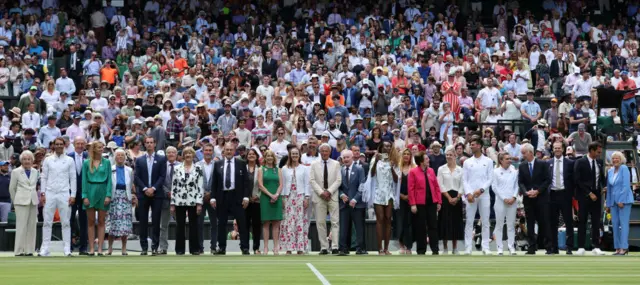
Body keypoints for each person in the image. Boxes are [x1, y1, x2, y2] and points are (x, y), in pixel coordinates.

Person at [210, 142, 251, 255]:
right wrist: (213, 197)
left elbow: (246, 183)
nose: (229, 152)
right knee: (221, 224)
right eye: (227, 150)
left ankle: (245, 247)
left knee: (242, 223)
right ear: (224, 151)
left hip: (237, 197)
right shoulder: (218, 164)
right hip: (222, 197)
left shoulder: (241, 163)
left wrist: (246, 197)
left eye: (231, 150)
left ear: (234, 151)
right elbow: (214, 182)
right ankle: (222, 248)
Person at [39, 137, 76, 257]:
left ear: (64, 145)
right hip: (50, 193)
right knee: (47, 222)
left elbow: (73, 178)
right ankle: (45, 248)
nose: (59, 146)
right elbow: (43, 177)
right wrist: (43, 193)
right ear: (53, 146)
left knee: (66, 222)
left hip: (64, 193)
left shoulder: (70, 160)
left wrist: (73, 194)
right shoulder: (48, 160)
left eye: (61, 144)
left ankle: (67, 248)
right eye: (57, 144)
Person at [134, 137, 167, 255]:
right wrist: (145, 189)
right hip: (143, 194)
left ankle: (154, 246)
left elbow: (162, 177)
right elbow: (136, 177)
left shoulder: (162, 159)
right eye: (147, 143)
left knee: (156, 221)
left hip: (156, 194)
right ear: (144, 144)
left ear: (155, 144)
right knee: (142, 221)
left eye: (151, 142)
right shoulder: (139, 160)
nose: (149, 144)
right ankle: (143, 247)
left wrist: (153, 188)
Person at [365, 141, 398, 255]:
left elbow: (396, 179)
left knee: (388, 219)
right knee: (380, 219)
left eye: (389, 146)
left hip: (389, 193)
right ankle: (379, 248)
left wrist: (392, 167)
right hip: (378, 192)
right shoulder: (375, 160)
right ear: (381, 148)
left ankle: (386, 248)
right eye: (385, 146)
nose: (387, 148)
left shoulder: (393, 161)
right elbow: (372, 174)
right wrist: (376, 161)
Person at [518, 143, 551, 255]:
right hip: (528, 199)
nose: (522, 155)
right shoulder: (522, 166)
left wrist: (537, 191)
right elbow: (520, 182)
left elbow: (547, 180)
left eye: (524, 153)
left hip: (541, 198)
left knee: (544, 222)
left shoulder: (542, 164)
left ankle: (548, 247)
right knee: (530, 223)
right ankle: (531, 247)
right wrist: (526, 193)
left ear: (530, 152)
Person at [309, 143, 342, 255]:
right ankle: (324, 247)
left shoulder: (336, 164)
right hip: (319, 197)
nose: (324, 153)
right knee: (320, 222)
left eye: (326, 151)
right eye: (322, 151)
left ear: (330, 152)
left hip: (332, 196)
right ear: (319, 152)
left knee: (335, 222)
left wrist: (329, 192)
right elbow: (312, 180)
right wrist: (322, 192)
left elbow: (338, 180)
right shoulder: (314, 164)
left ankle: (335, 247)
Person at [462, 137, 493, 255]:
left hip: (484, 195)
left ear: (479, 146)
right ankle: (468, 247)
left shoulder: (489, 161)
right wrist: (469, 193)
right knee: (469, 221)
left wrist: (481, 190)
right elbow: (465, 180)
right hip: (470, 196)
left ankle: (486, 247)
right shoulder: (467, 162)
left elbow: (490, 178)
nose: (471, 146)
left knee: (485, 221)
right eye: (470, 144)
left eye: (473, 144)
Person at [171, 147, 204, 255]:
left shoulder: (198, 168)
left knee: (193, 225)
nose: (188, 155)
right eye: (186, 153)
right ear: (183, 155)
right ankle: (180, 249)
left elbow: (200, 186)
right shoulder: (177, 168)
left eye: (190, 153)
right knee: (180, 225)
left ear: (193, 155)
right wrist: (172, 203)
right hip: (179, 200)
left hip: (193, 200)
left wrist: (199, 203)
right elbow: (174, 186)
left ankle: (194, 249)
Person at [574, 142, 605, 255]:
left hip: (597, 196)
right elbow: (577, 180)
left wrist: (604, 187)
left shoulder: (599, 162)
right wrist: (589, 193)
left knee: (596, 221)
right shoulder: (580, 162)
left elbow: (601, 177)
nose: (599, 154)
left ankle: (596, 246)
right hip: (584, 196)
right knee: (582, 221)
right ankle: (581, 246)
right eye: (598, 152)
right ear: (591, 150)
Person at [81, 141, 113, 256]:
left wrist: (108, 195)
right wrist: (84, 196)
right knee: (90, 222)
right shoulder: (86, 163)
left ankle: (100, 247)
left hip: (103, 191)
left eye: (102, 147)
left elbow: (109, 179)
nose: (101, 149)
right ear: (94, 149)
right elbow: (84, 180)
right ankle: (91, 248)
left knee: (101, 221)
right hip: (90, 191)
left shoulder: (107, 162)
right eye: (99, 147)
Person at [408, 151, 442, 255]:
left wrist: (438, 201)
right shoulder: (413, 172)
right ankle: (421, 250)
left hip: (432, 203)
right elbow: (411, 189)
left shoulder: (431, 171)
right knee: (420, 227)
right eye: (426, 158)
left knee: (433, 226)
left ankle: (435, 249)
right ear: (421, 161)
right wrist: (413, 204)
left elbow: (436, 187)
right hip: (419, 203)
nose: (428, 160)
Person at [280, 147, 311, 255]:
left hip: (300, 196)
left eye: (296, 154)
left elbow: (307, 184)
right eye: (292, 154)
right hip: (288, 197)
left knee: (300, 221)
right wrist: (283, 198)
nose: (294, 156)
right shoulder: (284, 168)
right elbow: (282, 184)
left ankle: (300, 248)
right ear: (290, 155)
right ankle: (289, 248)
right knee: (288, 222)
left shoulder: (304, 168)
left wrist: (307, 197)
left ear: (299, 155)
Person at [8, 150, 39, 256]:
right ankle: (19, 250)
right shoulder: (15, 172)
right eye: (25, 159)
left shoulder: (35, 171)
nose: (27, 161)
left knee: (32, 226)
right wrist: (16, 201)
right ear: (21, 160)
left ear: (32, 160)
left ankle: (29, 250)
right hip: (20, 202)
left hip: (33, 201)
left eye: (29, 159)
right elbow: (12, 188)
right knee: (21, 226)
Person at [547, 142, 575, 255]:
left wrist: (571, 193)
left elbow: (573, 179)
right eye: (555, 148)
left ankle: (569, 247)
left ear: (563, 149)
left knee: (568, 221)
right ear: (553, 149)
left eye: (559, 148)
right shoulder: (548, 163)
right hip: (552, 194)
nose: (557, 149)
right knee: (552, 222)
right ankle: (554, 247)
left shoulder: (570, 163)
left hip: (565, 194)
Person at [338, 149, 367, 255]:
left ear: (352, 158)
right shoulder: (340, 170)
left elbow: (362, 184)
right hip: (344, 204)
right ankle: (343, 248)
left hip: (358, 204)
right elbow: (337, 185)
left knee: (359, 227)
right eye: (344, 158)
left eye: (347, 157)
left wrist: (355, 199)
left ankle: (361, 248)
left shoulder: (359, 169)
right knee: (344, 227)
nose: (345, 159)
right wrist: (341, 195)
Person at [106, 149, 135, 256]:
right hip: (114, 197)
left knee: (125, 224)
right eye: (118, 155)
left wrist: (131, 196)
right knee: (112, 223)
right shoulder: (110, 169)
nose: (120, 157)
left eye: (122, 155)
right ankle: (110, 248)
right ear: (115, 157)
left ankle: (124, 248)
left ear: (125, 157)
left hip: (125, 197)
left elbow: (130, 184)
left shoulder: (129, 170)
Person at [437, 145, 464, 255]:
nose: (448, 156)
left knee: (455, 222)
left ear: (455, 156)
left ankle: (455, 247)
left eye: (451, 155)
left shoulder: (460, 170)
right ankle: (444, 248)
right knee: (444, 222)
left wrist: (457, 197)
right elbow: (440, 185)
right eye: (447, 155)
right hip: (445, 198)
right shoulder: (441, 169)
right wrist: (448, 198)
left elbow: (462, 185)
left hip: (457, 198)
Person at [606, 151, 634, 255]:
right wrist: (608, 203)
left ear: (621, 159)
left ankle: (624, 247)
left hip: (624, 201)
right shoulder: (610, 171)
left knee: (623, 224)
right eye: (613, 158)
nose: (615, 160)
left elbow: (626, 186)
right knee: (615, 224)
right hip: (613, 202)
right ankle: (617, 248)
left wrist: (621, 200)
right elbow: (609, 188)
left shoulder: (624, 168)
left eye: (617, 158)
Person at [491, 152, 519, 255]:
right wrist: (504, 198)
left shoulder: (514, 171)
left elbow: (517, 186)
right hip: (500, 202)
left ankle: (511, 247)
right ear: (501, 160)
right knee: (499, 225)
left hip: (512, 201)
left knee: (511, 225)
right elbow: (494, 187)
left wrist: (514, 197)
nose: (509, 160)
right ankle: (499, 248)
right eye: (507, 158)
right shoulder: (496, 172)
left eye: (510, 158)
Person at [258, 150, 283, 255]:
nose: (269, 158)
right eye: (267, 156)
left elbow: (281, 184)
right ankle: (266, 247)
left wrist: (276, 195)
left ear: (274, 158)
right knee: (266, 223)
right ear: (265, 158)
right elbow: (260, 185)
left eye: (271, 156)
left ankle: (276, 247)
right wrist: (270, 195)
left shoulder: (278, 170)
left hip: (277, 198)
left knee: (276, 223)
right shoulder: (261, 169)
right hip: (265, 198)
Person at [196, 143, 218, 254]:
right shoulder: (197, 165)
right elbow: (195, 183)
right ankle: (200, 248)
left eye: (210, 150)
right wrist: (204, 194)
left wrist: (211, 194)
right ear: (202, 152)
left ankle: (213, 247)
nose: (208, 152)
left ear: (213, 152)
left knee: (214, 223)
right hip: (200, 198)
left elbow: (218, 183)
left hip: (213, 198)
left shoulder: (217, 165)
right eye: (206, 150)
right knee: (199, 224)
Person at [68, 137, 88, 255]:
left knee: (84, 221)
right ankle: (68, 246)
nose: (80, 145)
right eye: (78, 143)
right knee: (69, 220)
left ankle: (83, 247)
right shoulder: (68, 157)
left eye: (82, 143)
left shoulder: (88, 157)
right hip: (71, 194)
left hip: (85, 194)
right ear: (74, 144)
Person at [159, 146, 179, 255]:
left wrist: (175, 193)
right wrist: (167, 192)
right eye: (169, 152)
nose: (171, 154)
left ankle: (180, 248)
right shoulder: (162, 166)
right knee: (163, 225)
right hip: (165, 199)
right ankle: (163, 247)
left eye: (173, 152)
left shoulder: (181, 166)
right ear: (166, 154)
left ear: (176, 154)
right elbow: (160, 181)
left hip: (179, 200)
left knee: (180, 225)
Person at [397, 148, 416, 254]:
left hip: (410, 199)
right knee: (400, 222)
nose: (406, 155)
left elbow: (416, 185)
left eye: (408, 154)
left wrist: (409, 196)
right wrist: (400, 195)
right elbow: (393, 184)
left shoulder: (414, 168)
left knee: (409, 222)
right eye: (404, 154)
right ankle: (401, 245)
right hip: (399, 199)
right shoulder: (397, 168)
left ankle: (409, 246)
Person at [245, 149, 262, 254]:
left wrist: (257, 196)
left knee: (256, 226)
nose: (251, 156)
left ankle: (256, 247)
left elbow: (262, 185)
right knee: (245, 225)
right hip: (245, 202)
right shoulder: (242, 168)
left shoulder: (260, 169)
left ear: (256, 156)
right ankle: (245, 247)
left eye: (253, 154)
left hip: (257, 201)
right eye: (249, 154)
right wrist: (245, 197)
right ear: (247, 156)